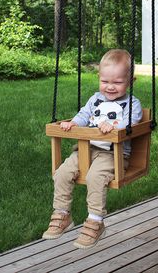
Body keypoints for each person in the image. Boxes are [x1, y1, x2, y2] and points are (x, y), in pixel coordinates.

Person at [42, 49, 143, 249]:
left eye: (117, 82)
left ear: (130, 81)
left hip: (113, 154)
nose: (110, 87)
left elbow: (131, 123)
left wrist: (115, 127)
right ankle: (62, 214)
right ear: (99, 78)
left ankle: (95, 220)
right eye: (105, 81)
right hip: (86, 149)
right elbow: (83, 115)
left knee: (94, 177)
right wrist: (72, 123)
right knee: (62, 172)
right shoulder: (95, 98)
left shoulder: (132, 104)